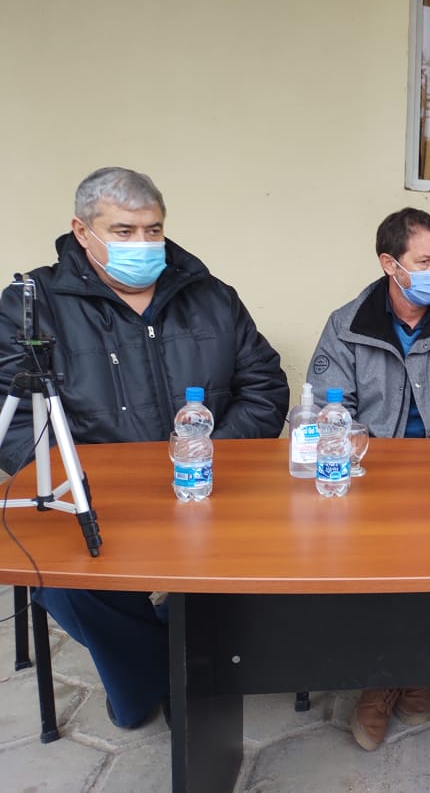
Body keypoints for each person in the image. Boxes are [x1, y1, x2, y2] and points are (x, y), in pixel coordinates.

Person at [0, 167, 289, 729]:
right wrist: (69, 481)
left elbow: (265, 387)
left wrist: (209, 451)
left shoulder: (210, 296)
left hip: (208, 485)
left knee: (284, 552)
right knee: (60, 578)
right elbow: (8, 415)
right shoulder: (32, 306)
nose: (143, 244)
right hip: (91, 495)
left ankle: (175, 670)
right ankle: (163, 676)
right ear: (82, 232)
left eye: (153, 230)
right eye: (124, 231)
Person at [307, 206, 430, 750]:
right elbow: (331, 408)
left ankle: (412, 671)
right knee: (378, 574)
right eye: (424, 260)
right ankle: (381, 683)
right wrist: (358, 443)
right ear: (390, 264)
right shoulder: (346, 324)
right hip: (372, 477)